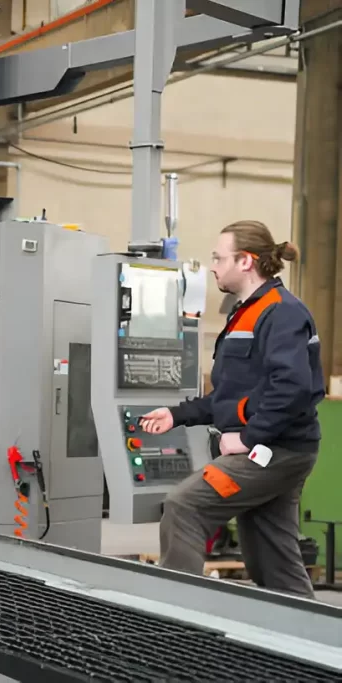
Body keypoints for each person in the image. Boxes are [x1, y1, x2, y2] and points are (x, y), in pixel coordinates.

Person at [139, 220, 323, 598]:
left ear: (245, 261)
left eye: (218, 258)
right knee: (271, 559)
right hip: (273, 450)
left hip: (273, 452)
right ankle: (303, 630)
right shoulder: (245, 313)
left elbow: (293, 388)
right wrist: (176, 415)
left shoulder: (282, 312)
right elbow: (228, 396)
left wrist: (249, 438)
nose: (212, 267)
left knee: (185, 506)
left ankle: (177, 618)